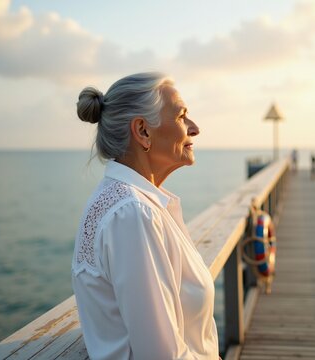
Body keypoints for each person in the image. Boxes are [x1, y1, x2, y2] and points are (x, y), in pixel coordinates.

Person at [71, 72, 219, 359]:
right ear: (142, 131)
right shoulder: (132, 215)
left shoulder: (131, 204)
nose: (195, 128)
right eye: (182, 116)